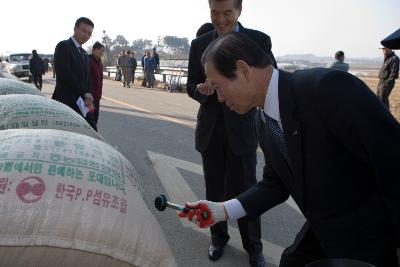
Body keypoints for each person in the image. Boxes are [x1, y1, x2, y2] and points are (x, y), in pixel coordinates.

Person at [180, 32, 400, 267]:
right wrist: (222, 210)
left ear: (243, 70)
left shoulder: (326, 88)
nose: (219, 98)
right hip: (325, 232)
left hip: (377, 240)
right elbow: (276, 182)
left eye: (218, 86)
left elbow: (393, 159)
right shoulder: (262, 120)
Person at [186, 0, 277, 266]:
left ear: (239, 11)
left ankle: (254, 247)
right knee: (213, 188)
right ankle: (218, 239)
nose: (220, 19)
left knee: (247, 188)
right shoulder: (199, 44)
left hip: (243, 129)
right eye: (214, 12)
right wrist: (201, 91)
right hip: (211, 129)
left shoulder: (258, 41)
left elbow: (271, 79)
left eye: (227, 12)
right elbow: (191, 84)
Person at [52, 17, 94, 115]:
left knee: (92, 128)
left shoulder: (84, 53)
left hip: (82, 104)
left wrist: (88, 95)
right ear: (75, 29)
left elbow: (88, 79)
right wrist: (85, 93)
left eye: (89, 33)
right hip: (65, 103)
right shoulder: (63, 46)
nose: (86, 35)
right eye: (83, 31)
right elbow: (65, 74)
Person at [86, 41, 105, 131]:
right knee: (91, 123)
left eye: (103, 51)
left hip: (97, 98)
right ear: (94, 50)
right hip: (89, 98)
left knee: (95, 119)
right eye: (100, 50)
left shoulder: (100, 63)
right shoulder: (88, 61)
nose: (102, 53)